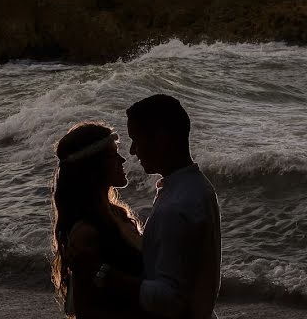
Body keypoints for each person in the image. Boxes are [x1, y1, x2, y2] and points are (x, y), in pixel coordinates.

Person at [125, 94, 222, 319]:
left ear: (161, 139)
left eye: (136, 140)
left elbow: (170, 298)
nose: (132, 150)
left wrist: (109, 278)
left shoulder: (176, 206)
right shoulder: (199, 188)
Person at [51, 122, 146, 318]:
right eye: (113, 155)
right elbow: (86, 309)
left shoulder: (116, 214)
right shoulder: (86, 232)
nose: (122, 160)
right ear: (93, 167)